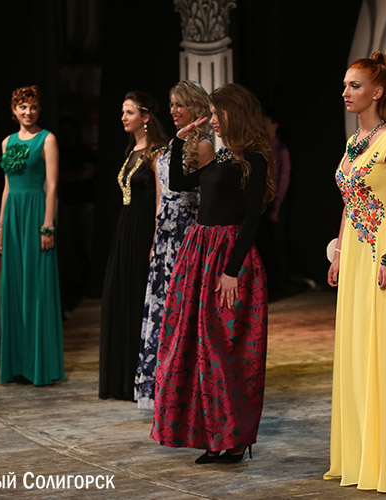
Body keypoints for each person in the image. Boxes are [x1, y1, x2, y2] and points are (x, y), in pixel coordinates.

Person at [151, 83, 274, 464]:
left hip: (228, 257)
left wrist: (232, 270)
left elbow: (252, 219)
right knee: (192, 347)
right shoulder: (220, 157)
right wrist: (178, 141)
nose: (214, 120)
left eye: (218, 114)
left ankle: (233, 438)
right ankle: (211, 435)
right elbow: (178, 183)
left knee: (224, 352)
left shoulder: (253, 159)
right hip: (199, 254)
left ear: (235, 113)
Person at [323, 51, 386, 493]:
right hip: (354, 254)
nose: (346, 92)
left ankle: (385, 460)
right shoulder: (353, 143)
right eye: (345, 85)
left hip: (380, 252)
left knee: (378, 348)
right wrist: (339, 252)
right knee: (355, 350)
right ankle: (357, 454)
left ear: (377, 91)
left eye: (355, 86)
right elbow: (349, 203)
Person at [134, 81, 213, 410]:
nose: (173, 110)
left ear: (194, 108)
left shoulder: (204, 146)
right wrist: (155, 240)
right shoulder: (170, 145)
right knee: (162, 307)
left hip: (187, 232)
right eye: (171, 104)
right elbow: (159, 200)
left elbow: (207, 199)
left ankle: (186, 388)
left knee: (183, 310)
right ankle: (160, 387)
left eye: (180, 104)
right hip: (165, 236)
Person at [99, 90, 166, 401]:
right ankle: (120, 379)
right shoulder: (132, 151)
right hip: (124, 229)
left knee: (138, 298)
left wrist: (156, 239)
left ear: (145, 116)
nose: (123, 117)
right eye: (123, 112)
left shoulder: (157, 153)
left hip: (142, 231)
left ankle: (138, 381)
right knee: (118, 294)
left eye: (129, 112)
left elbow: (160, 201)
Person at [0, 85, 64, 386]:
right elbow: (7, 187)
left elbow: (52, 186)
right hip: (13, 217)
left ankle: (38, 365)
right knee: (14, 288)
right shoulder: (6, 142)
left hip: (35, 214)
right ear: (14, 111)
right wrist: (0, 225)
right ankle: (17, 364)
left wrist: (47, 225)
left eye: (33, 107)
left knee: (36, 288)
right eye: (23, 107)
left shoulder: (47, 139)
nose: (28, 112)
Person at [56, 115, 97, 314]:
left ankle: (89, 281)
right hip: (66, 203)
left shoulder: (84, 152)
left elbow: (87, 174)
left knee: (87, 241)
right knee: (68, 244)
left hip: (85, 202)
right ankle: (74, 282)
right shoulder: (61, 151)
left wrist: (69, 176)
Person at [255, 109, 292, 300]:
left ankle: (280, 287)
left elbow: (283, 179)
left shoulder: (280, 150)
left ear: (274, 125)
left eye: (266, 122)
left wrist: (276, 207)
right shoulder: (263, 147)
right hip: (264, 203)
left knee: (277, 245)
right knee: (265, 245)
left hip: (276, 203)